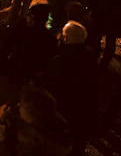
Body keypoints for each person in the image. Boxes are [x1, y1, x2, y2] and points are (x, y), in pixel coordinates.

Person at [41, 21, 98, 156]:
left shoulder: (60, 61)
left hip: (64, 107)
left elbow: (51, 85)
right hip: (83, 107)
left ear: (65, 38)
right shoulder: (90, 55)